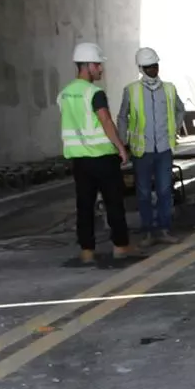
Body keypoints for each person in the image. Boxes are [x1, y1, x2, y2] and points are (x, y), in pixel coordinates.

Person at [61, 43, 133, 263]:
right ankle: (120, 247)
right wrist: (121, 147)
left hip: (79, 160)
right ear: (88, 65)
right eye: (98, 65)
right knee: (113, 203)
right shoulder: (94, 93)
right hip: (102, 157)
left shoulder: (65, 94)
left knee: (84, 206)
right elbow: (105, 121)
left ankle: (87, 251)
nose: (101, 69)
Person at [118, 47, 185, 246]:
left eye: (155, 66)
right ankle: (148, 231)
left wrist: (175, 129)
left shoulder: (170, 89)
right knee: (144, 192)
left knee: (165, 190)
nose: (153, 70)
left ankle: (163, 229)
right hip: (142, 150)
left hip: (164, 148)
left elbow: (180, 110)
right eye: (148, 67)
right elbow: (122, 116)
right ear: (141, 68)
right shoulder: (131, 90)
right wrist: (123, 143)